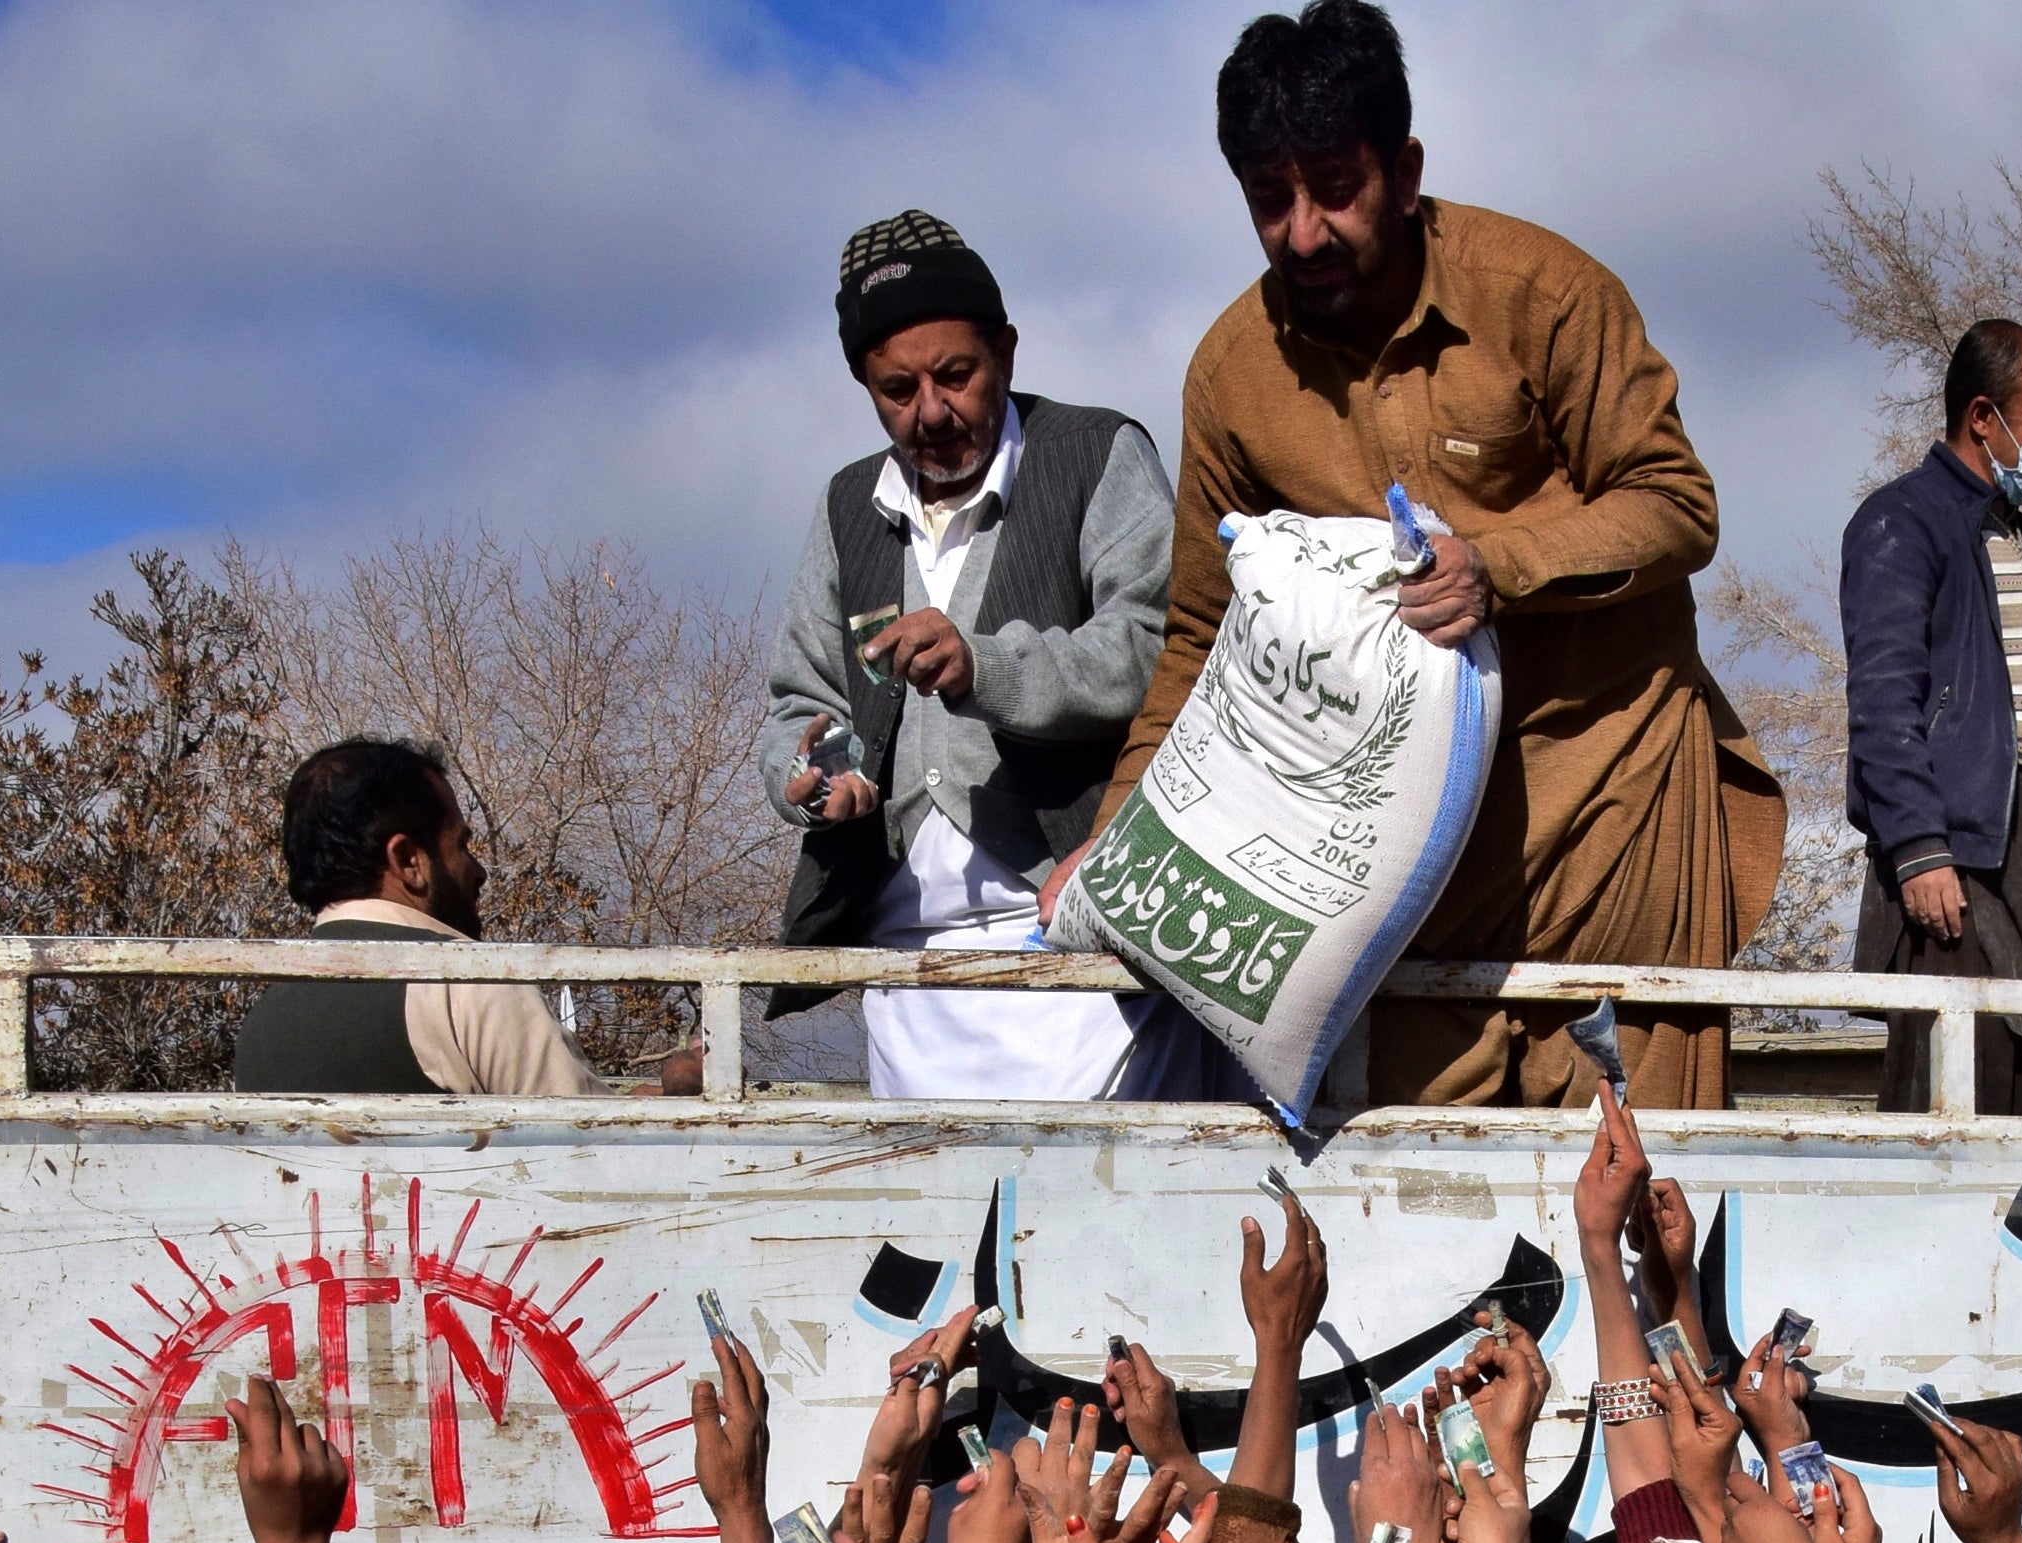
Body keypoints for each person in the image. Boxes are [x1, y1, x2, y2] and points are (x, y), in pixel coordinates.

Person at [1109, 0, 1783, 1112]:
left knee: (1640, 1184)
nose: (1303, 230)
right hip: (1402, 859)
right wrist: (1117, 834)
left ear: (1405, 168)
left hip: (1614, 785)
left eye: (1334, 186)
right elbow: (1198, 634)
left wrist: (1498, 567)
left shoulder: (1546, 294)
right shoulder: (1228, 375)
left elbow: (1676, 504)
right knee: (1427, 1215)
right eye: (1268, 199)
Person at [761, 210, 1176, 1101]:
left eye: (957, 375)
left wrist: (989, 667)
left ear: (1008, 352)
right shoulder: (847, 507)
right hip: (908, 974)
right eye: (897, 390)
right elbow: (799, 701)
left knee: (1084, 1219)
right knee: (947, 1235)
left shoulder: (1096, 455)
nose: (933, 412)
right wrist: (804, 774)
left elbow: (1157, 648)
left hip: (1080, 953)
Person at [1840, 318, 2022, 1117]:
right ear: (1983, 417)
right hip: (1964, 871)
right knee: (1954, 1112)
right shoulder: (1905, 520)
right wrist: (1921, 850)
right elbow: (1884, 699)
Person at [234, 739, 607, 1098]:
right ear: (410, 861)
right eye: (461, 846)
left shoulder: (258, 1026)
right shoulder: (472, 986)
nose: (479, 872)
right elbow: (600, 1149)